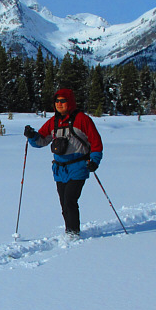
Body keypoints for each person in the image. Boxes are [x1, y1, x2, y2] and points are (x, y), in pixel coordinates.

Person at [23, 88, 103, 238]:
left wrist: (95, 161)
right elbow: (41, 141)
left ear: (70, 102)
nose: (59, 104)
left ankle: (73, 233)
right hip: (59, 170)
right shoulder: (53, 122)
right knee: (64, 203)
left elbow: (96, 143)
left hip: (78, 167)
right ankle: (69, 231)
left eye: (63, 101)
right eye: (57, 101)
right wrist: (32, 135)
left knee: (70, 200)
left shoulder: (83, 120)